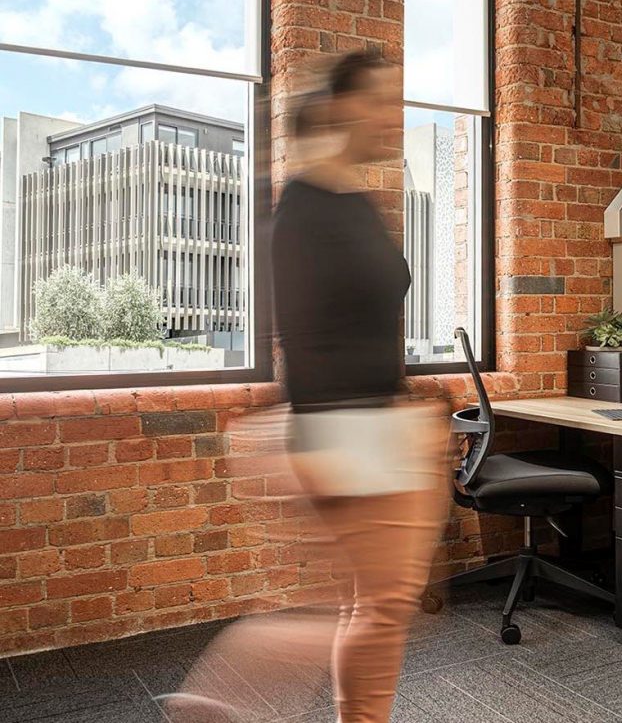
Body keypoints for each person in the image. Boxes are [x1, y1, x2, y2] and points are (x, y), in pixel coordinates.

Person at [165, 50, 449, 723]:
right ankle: (215, 701)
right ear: (342, 106)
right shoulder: (307, 204)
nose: (392, 116)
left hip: (373, 422)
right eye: (380, 100)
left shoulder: (353, 197)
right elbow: (302, 330)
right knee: (377, 606)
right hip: (346, 428)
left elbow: (366, 321)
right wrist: (323, 436)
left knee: (367, 606)